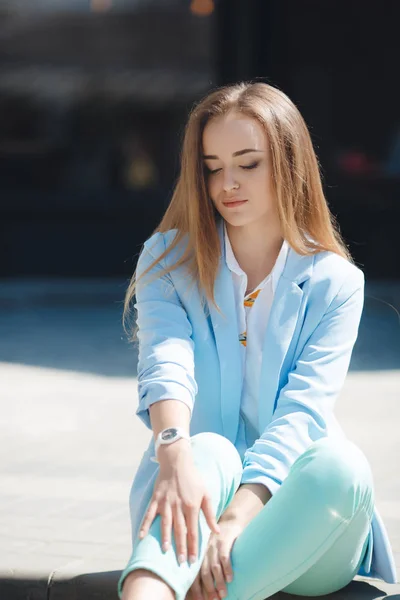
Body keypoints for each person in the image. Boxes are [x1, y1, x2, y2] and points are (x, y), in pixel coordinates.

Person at [118, 82, 397, 600]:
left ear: (289, 164)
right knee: (207, 448)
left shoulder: (336, 283)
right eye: (212, 166)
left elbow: (302, 413)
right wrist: (173, 455)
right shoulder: (167, 258)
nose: (227, 183)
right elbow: (166, 359)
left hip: (305, 517)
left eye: (248, 163)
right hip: (193, 499)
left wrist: (235, 521)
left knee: (343, 465)